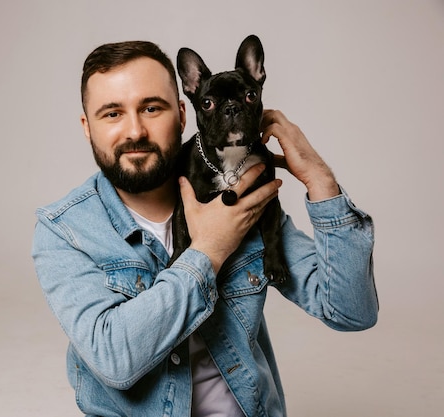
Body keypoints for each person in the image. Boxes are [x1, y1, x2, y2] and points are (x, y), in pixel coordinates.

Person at [31, 40, 378, 417]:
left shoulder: (245, 200)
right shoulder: (66, 230)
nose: (135, 130)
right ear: (87, 127)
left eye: (151, 108)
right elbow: (116, 360)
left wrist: (320, 179)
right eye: (112, 114)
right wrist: (210, 248)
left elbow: (351, 311)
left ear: (183, 114)